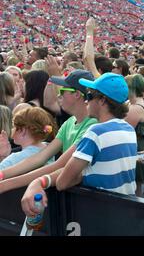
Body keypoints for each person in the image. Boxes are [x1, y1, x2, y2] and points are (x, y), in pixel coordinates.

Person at [21, 73, 137, 218]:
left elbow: (63, 182)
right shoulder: (128, 129)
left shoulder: (96, 132)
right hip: (127, 212)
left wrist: (81, 174)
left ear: (102, 101)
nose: (86, 101)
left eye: (89, 96)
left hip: (101, 214)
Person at [0, 70, 97, 192]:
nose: (58, 96)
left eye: (62, 91)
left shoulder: (93, 125)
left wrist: (6, 184)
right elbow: (40, 157)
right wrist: (2, 175)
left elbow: (60, 165)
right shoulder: (69, 122)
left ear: (77, 94)